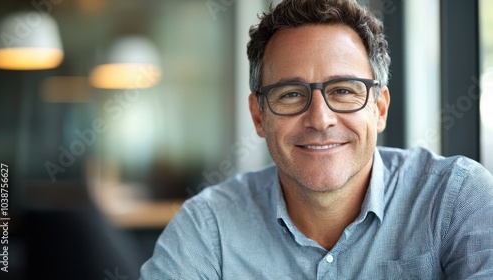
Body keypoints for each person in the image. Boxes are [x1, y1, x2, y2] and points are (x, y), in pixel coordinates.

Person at [140, 0, 493, 278]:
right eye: (291, 94)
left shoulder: (455, 199)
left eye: (343, 90)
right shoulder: (208, 227)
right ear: (259, 115)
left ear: (379, 109)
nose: (320, 119)